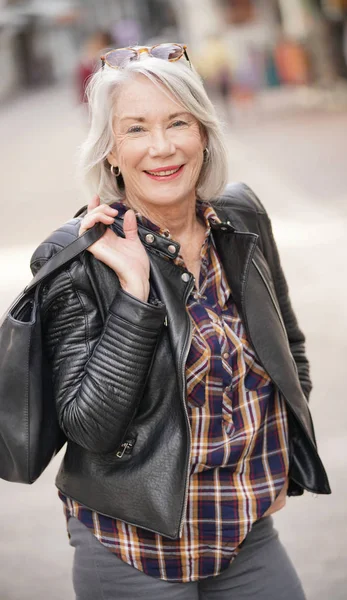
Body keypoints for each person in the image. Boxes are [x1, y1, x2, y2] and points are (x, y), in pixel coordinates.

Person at [31, 43, 331, 599]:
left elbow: (288, 349)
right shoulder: (76, 255)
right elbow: (88, 427)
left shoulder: (239, 221)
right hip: (132, 546)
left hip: (245, 530)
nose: (162, 147)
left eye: (178, 123)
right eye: (136, 129)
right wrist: (134, 292)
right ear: (110, 151)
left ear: (205, 134)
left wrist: (280, 454)